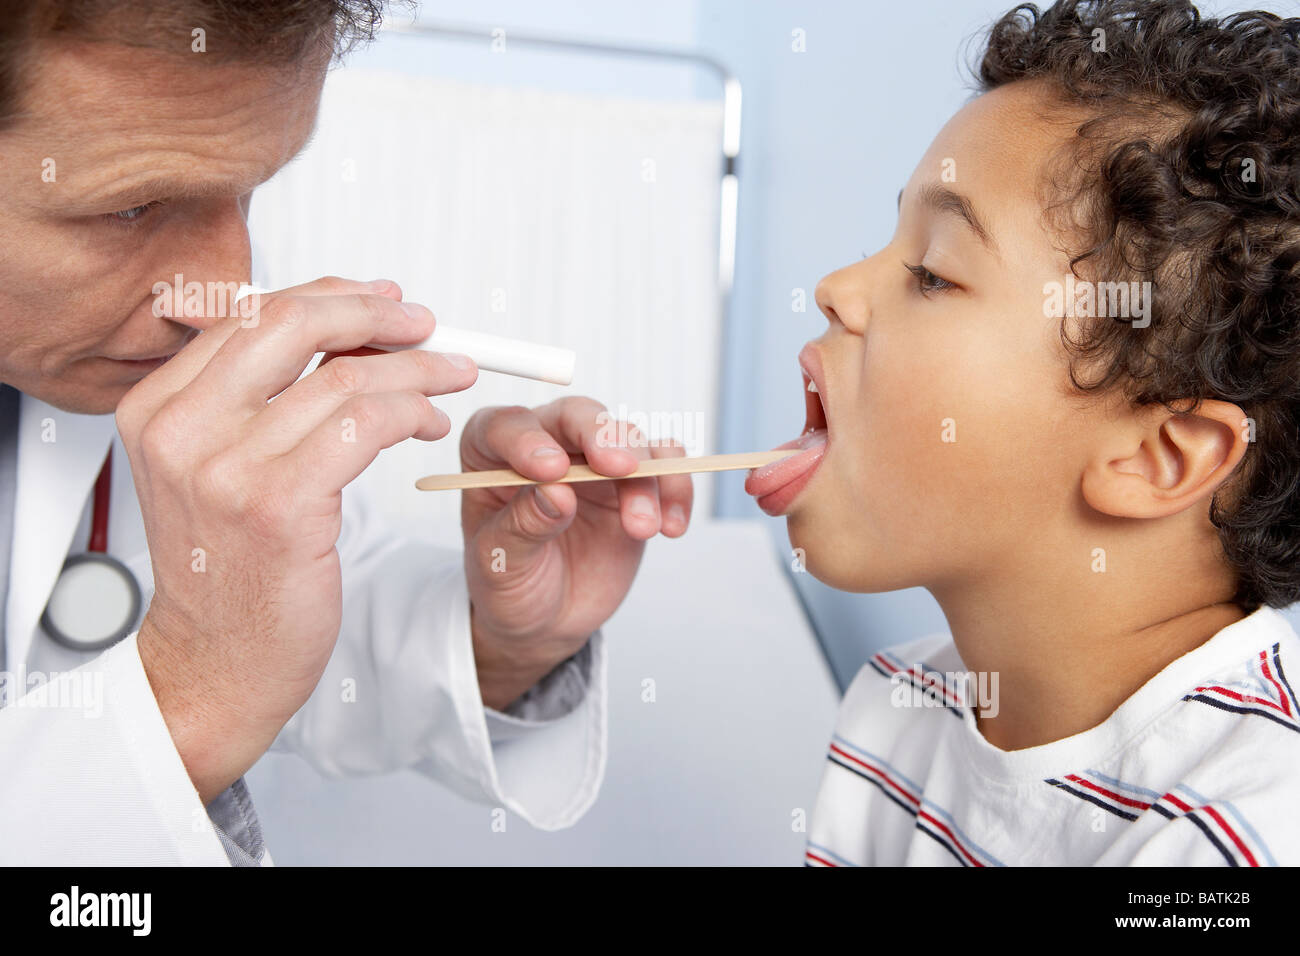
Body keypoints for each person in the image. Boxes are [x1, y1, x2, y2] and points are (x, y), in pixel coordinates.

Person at [0, 1, 693, 865]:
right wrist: (187, 703)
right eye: (134, 210)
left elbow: (292, 631)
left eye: (250, 189)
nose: (226, 287)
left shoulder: (96, 370)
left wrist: (498, 638)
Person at [743, 0, 1300, 865]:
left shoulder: (1247, 834)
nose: (836, 287)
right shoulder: (898, 712)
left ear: (1158, 458)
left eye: (930, 273)